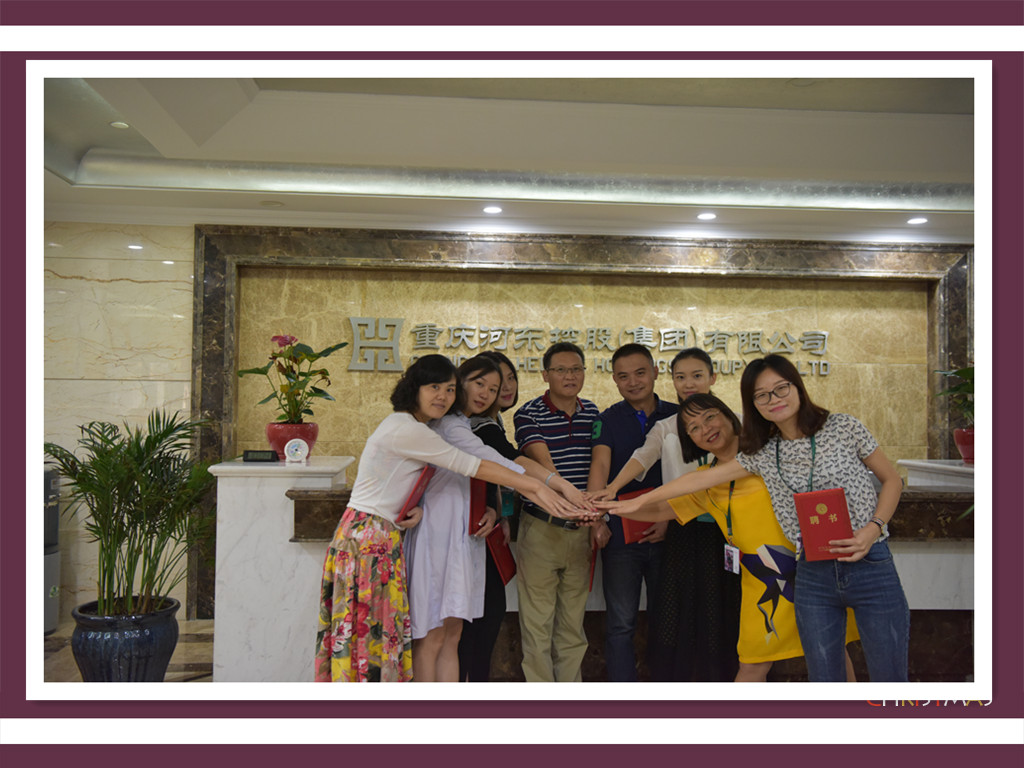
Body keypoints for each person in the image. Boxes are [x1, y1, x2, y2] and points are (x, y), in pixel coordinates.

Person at [598, 354, 909, 682]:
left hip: (832, 564)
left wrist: (873, 527)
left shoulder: (805, 439)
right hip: (778, 577)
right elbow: (680, 494)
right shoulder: (742, 463)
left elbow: (889, 479)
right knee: (775, 664)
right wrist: (619, 504)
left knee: (851, 661)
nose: (705, 430)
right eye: (694, 428)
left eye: (780, 389)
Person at [314, 354, 583, 683]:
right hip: (372, 540)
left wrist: (415, 508)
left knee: (420, 638)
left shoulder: (428, 426)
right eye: (435, 387)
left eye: (449, 389)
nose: (443, 396)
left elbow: (418, 478)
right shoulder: (413, 428)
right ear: (414, 388)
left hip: (388, 536)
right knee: (374, 640)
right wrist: (544, 489)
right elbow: (476, 463)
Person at [611, 393, 858, 682]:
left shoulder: (768, 451)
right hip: (763, 584)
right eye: (693, 428)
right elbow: (665, 509)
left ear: (729, 415)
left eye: (709, 417)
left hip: (809, 571)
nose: (705, 429)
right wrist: (612, 509)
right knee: (753, 664)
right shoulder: (707, 478)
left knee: (832, 650)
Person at [591, 347, 740, 682]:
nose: (689, 384)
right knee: (678, 614)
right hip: (682, 528)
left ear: (713, 377)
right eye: (681, 377)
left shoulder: (733, 421)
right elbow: (642, 457)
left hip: (728, 533)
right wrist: (613, 489)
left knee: (719, 612)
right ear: (670, 379)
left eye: (697, 376)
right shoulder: (667, 425)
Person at [586, 343, 677, 681]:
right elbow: (600, 467)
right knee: (621, 622)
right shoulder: (606, 420)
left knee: (667, 619)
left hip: (672, 531)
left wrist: (669, 518)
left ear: (655, 372)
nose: (633, 382)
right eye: (623, 376)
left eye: (640, 373)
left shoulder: (679, 415)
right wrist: (597, 519)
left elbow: (693, 473)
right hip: (622, 536)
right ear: (614, 380)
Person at [513, 341, 601, 682]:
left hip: (581, 531)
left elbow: (598, 464)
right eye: (561, 370)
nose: (570, 376)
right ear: (545, 374)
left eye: (576, 369)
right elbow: (542, 463)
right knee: (537, 625)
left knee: (572, 626)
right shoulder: (528, 413)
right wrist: (572, 500)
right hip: (542, 529)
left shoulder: (593, 413)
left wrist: (595, 517)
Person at [458, 351, 520, 682]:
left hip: (486, 531)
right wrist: (555, 488)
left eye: (507, 381)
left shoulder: (493, 422)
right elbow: (512, 465)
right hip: (466, 536)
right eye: (482, 384)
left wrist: (499, 512)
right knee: (469, 627)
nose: (502, 389)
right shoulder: (473, 426)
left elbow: (493, 480)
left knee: (487, 619)